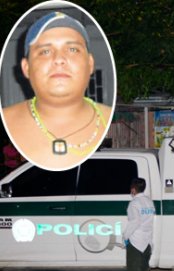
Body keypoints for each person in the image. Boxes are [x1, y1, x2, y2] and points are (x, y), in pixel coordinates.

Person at [1, 11, 111, 170]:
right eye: (45, 51)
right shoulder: (7, 119)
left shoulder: (106, 118)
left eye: (72, 49)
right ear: (26, 67)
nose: (59, 59)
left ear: (90, 63)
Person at [124, 178, 155, 271]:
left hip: (136, 241)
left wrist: (125, 236)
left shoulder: (134, 203)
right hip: (147, 241)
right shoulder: (149, 202)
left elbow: (134, 221)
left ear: (133, 189)